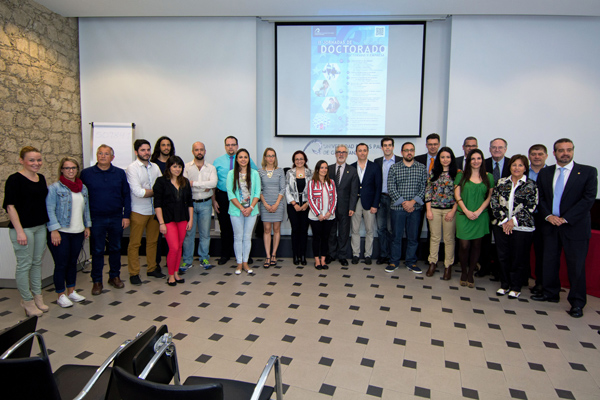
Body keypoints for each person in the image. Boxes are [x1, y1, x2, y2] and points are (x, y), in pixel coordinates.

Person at [531, 139, 598, 318]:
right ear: (554, 153)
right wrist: (548, 216)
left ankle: (577, 303)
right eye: (561, 150)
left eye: (568, 150)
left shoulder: (587, 172)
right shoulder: (546, 173)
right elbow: (541, 198)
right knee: (549, 261)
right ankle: (550, 293)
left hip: (575, 227)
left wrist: (565, 218)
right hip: (550, 225)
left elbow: (588, 199)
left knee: (576, 267)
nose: (565, 153)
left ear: (573, 151)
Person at [3, 146, 50, 317]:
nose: (36, 163)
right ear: (22, 160)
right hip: (23, 229)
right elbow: (10, 206)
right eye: (31, 160)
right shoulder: (14, 180)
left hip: (40, 227)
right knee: (24, 265)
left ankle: (37, 297)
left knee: (37, 263)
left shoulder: (41, 178)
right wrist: (20, 231)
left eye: (38, 160)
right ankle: (27, 301)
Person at [80, 145, 131, 295]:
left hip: (116, 217)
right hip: (96, 218)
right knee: (97, 250)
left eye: (106, 154)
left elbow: (126, 195)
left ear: (112, 157)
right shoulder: (86, 174)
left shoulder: (120, 173)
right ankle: (97, 281)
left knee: (115, 248)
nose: (103, 156)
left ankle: (114, 276)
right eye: (100, 153)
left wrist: (126, 215)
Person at [490, 154, 538, 299]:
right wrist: (504, 220)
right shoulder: (502, 182)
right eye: (514, 165)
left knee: (518, 257)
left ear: (525, 168)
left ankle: (516, 286)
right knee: (503, 256)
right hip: (502, 225)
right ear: (510, 167)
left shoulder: (531, 185)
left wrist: (513, 221)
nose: (517, 168)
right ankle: (504, 285)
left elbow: (531, 206)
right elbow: (494, 202)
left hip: (521, 227)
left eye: (520, 165)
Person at [46, 157, 91, 308]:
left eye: (73, 168)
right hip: (61, 232)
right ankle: (61, 294)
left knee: (73, 263)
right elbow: (50, 210)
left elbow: (86, 209)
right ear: (62, 170)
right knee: (61, 264)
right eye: (67, 168)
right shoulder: (55, 188)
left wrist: (87, 226)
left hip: (77, 231)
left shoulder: (82, 188)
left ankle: (71, 291)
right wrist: (54, 230)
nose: (71, 171)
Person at [213, 136, 258, 265]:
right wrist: (214, 200)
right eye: (228, 145)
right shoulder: (217, 161)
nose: (230, 147)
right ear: (225, 146)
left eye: (233, 144)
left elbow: (254, 174)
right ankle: (225, 254)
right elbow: (214, 183)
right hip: (224, 196)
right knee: (225, 227)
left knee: (244, 230)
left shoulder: (246, 161)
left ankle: (245, 257)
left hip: (244, 199)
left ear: (237, 146)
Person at [126, 139, 165, 286]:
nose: (146, 152)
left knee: (153, 242)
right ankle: (134, 273)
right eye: (143, 150)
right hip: (138, 211)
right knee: (135, 243)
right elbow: (138, 192)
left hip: (154, 211)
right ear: (136, 152)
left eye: (148, 149)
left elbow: (161, 186)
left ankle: (152, 268)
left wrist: (151, 191)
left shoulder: (155, 167)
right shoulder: (132, 168)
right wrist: (155, 192)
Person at [385, 142, 427, 274]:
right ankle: (394, 262)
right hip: (397, 209)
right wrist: (404, 203)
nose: (409, 152)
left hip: (415, 209)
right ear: (402, 152)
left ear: (414, 152)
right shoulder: (394, 168)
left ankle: (411, 262)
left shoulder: (421, 168)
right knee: (396, 237)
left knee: (413, 237)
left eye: (411, 150)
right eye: (406, 150)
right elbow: (391, 188)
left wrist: (412, 202)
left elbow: (424, 187)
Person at [454, 149, 494, 288]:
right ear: (469, 161)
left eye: (479, 158)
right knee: (464, 245)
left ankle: (470, 273)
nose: (476, 161)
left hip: (480, 216)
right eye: (473, 158)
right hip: (463, 215)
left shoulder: (489, 177)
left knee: (477, 245)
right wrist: (466, 211)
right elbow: (457, 195)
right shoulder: (461, 176)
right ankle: (463, 271)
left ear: (482, 160)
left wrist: (478, 211)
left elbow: (489, 197)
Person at [153, 156, 193, 286]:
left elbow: (189, 203)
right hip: (168, 220)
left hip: (182, 218)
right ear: (169, 167)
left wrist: (190, 220)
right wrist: (161, 223)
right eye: (174, 166)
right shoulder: (161, 182)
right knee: (174, 247)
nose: (177, 169)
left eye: (179, 166)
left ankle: (176, 273)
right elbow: (157, 204)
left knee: (179, 247)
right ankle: (170, 275)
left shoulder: (185, 182)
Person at [181, 142, 217, 272]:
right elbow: (184, 184)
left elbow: (213, 183)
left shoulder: (211, 168)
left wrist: (193, 184)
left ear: (205, 151)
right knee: (188, 233)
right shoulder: (186, 167)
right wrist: (203, 185)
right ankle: (187, 261)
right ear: (192, 152)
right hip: (190, 204)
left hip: (206, 203)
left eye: (201, 149)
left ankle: (204, 258)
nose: (199, 152)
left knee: (205, 234)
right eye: (196, 150)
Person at [424, 147, 458, 279]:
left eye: (448, 157)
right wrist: (428, 210)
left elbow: (459, 195)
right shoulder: (434, 173)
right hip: (435, 209)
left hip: (450, 210)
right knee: (435, 237)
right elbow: (428, 192)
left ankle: (448, 265)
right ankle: (432, 263)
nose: (445, 160)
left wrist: (453, 211)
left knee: (449, 239)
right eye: (442, 157)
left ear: (451, 159)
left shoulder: (457, 174)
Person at [227, 148, 260, 275]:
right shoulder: (231, 174)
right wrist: (241, 208)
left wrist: (250, 207)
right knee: (238, 237)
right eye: (240, 157)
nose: (243, 159)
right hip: (236, 211)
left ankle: (245, 262)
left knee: (247, 237)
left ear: (248, 159)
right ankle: (239, 263)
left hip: (251, 210)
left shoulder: (254, 174)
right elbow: (230, 193)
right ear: (237, 159)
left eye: (245, 157)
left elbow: (257, 192)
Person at [327, 144, 359, 266]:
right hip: (330, 207)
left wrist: (352, 207)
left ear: (347, 154)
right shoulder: (328, 169)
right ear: (335, 154)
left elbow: (354, 191)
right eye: (339, 152)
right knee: (331, 233)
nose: (341, 154)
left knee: (344, 233)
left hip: (345, 208)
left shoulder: (352, 170)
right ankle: (331, 254)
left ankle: (342, 256)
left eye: (344, 152)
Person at [350, 143, 381, 265]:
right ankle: (355, 254)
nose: (362, 153)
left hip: (370, 203)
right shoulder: (351, 167)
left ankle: (368, 254)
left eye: (364, 150)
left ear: (368, 152)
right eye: (360, 151)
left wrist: (375, 204)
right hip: (355, 203)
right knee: (355, 230)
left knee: (370, 230)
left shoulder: (375, 167)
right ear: (356, 153)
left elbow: (378, 187)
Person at [374, 137, 401, 265]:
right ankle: (383, 255)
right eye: (385, 145)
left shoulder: (400, 161)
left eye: (390, 145)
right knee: (381, 228)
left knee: (391, 229)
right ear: (382, 148)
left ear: (393, 147)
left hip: (395, 199)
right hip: (381, 197)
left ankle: (392, 256)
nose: (387, 147)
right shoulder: (377, 161)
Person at [150, 136, 175, 269]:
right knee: (157, 237)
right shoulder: (153, 164)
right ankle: (156, 263)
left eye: (168, 145)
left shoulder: (174, 163)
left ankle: (170, 261)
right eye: (163, 145)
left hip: (171, 206)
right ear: (159, 147)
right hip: (159, 204)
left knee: (171, 237)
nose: (166, 147)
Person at [415, 133, 441, 259]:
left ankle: (430, 257)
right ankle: (415, 256)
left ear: (439, 145)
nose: (432, 147)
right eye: (430, 144)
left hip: (436, 200)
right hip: (419, 199)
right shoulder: (418, 159)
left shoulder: (444, 160)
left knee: (433, 230)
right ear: (426, 145)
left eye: (435, 144)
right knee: (416, 228)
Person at [258, 148, 286, 268]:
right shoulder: (260, 172)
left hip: (278, 203)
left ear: (275, 157)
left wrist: (276, 204)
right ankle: (268, 256)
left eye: (273, 156)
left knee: (277, 229)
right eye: (268, 156)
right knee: (267, 229)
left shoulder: (280, 171)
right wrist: (265, 204)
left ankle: (274, 254)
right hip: (265, 203)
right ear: (265, 157)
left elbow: (283, 188)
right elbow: (258, 189)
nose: (270, 158)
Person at [527, 144, 548, 295]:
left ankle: (540, 283)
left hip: (544, 218)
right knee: (521, 250)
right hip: (524, 217)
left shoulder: (551, 173)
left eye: (540, 154)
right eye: (534, 154)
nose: (537, 157)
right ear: (529, 156)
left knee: (542, 252)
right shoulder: (522, 170)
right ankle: (521, 278)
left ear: (546, 156)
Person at [308, 160, 337, 270]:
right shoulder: (312, 183)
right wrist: (318, 214)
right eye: (322, 168)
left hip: (329, 216)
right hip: (315, 217)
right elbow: (310, 199)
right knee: (316, 238)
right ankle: (317, 261)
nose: (324, 170)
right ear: (317, 169)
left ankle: (323, 260)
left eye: (326, 168)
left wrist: (330, 212)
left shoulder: (331, 182)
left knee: (325, 238)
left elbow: (334, 198)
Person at [285, 151, 312, 265]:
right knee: (295, 230)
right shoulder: (289, 173)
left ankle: (303, 255)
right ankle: (295, 255)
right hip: (293, 206)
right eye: (297, 159)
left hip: (306, 205)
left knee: (304, 231)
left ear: (305, 160)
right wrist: (294, 204)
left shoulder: (310, 173)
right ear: (294, 161)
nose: (299, 161)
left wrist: (307, 204)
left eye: (301, 159)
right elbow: (286, 188)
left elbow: (312, 189)